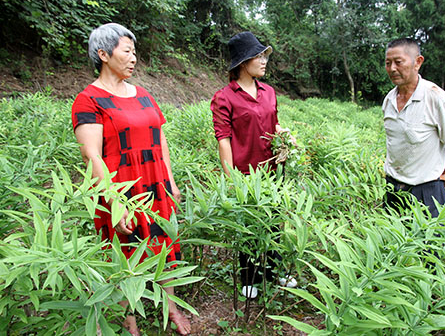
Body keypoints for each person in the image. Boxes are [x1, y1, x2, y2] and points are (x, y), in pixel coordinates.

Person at [71, 23, 191, 335]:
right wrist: (114, 201)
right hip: (120, 188)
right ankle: (129, 324)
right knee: (124, 256)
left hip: (155, 182)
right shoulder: (88, 100)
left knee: (166, 247)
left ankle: (172, 308)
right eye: (127, 51)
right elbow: (91, 155)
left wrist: (172, 181)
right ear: (103, 54)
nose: (133, 58)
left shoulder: (145, 95)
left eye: (134, 52)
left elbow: (160, 139)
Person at [210, 31, 296, 299]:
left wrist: (286, 139)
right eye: (257, 56)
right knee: (248, 225)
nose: (264, 60)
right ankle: (249, 276)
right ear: (242, 63)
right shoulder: (225, 97)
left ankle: (273, 271)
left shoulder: (269, 92)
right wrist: (231, 179)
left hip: (273, 170)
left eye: (263, 55)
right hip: (245, 173)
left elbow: (274, 124)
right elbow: (223, 140)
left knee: (274, 222)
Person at [382, 38, 445, 218]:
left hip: (426, 193)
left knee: (426, 245)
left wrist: (440, 172)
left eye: (398, 62)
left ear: (417, 62)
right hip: (393, 189)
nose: (392, 69)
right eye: (388, 63)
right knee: (391, 244)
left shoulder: (436, 98)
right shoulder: (389, 100)